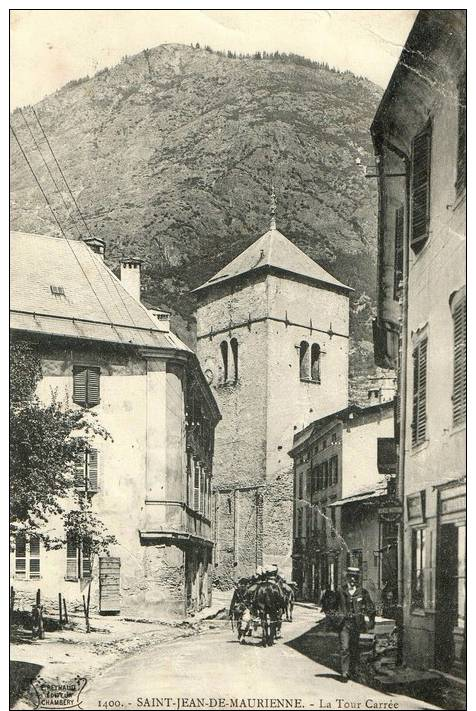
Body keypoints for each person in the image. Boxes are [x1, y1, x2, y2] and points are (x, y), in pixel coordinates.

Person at [335, 567, 376, 682]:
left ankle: (352, 670)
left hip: (356, 624)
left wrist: (371, 618)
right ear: (347, 578)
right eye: (350, 577)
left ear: (357, 579)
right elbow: (332, 606)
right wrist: (336, 618)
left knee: (354, 648)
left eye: (355, 577)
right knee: (345, 647)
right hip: (344, 624)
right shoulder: (340, 591)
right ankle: (345, 672)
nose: (352, 579)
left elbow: (370, 607)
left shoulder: (362, 592)